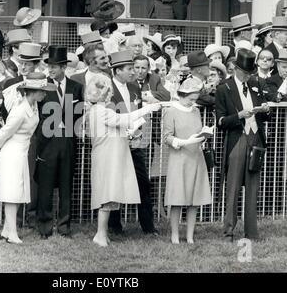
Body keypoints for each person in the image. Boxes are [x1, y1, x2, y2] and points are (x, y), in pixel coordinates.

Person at [86, 73, 161, 247]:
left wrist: (130, 131)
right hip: (107, 158)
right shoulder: (101, 111)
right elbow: (124, 119)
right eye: (107, 91)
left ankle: (102, 233)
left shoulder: (101, 111)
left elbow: (120, 127)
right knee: (107, 195)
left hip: (111, 156)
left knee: (110, 195)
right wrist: (148, 109)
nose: (110, 94)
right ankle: (100, 234)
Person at [0, 75, 56, 244]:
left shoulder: (33, 105)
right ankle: (12, 233)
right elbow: (5, 132)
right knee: (12, 193)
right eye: (42, 91)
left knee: (18, 192)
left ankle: (6, 231)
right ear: (34, 91)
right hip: (12, 152)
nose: (45, 95)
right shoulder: (20, 110)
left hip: (21, 151)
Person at [215, 48, 271, 242]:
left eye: (250, 73)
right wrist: (238, 116)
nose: (248, 76)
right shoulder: (224, 88)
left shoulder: (256, 84)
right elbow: (221, 121)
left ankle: (251, 232)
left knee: (253, 187)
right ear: (236, 69)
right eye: (245, 73)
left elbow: (265, 115)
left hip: (255, 138)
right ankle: (229, 230)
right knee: (233, 188)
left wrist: (264, 110)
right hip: (237, 139)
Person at [107, 50, 159, 236]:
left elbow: (138, 112)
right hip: (116, 143)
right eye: (129, 69)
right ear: (117, 71)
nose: (133, 72)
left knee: (143, 183)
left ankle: (148, 226)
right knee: (115, 183)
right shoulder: (108, 88)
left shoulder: (134, 88)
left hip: (135, 143)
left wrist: (137, 130)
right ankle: (114, 226)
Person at [34, 45, 84, 239]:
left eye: (54, 66)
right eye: (49, 66)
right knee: (45, 185)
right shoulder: (42, 87)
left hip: (68, 142)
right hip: (47, 142)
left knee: (66, 185)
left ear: (64, 67)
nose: (51, 70)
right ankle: (44, 226)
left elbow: (78, 113)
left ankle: (64, 226)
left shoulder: (76, 87)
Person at [163, 76, 211, 244]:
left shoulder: (196, 110)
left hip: (196, 157)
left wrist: (203, 136)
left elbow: (197, 131)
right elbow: (167, 137)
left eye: (195, 100)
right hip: (179, 158)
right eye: (191, 99)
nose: (193, 103)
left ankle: (190, 236)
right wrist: (183, 142)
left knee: (194, 200)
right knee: (177, 199)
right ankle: (174, 235)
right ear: (182, 95)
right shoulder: (171, 111)